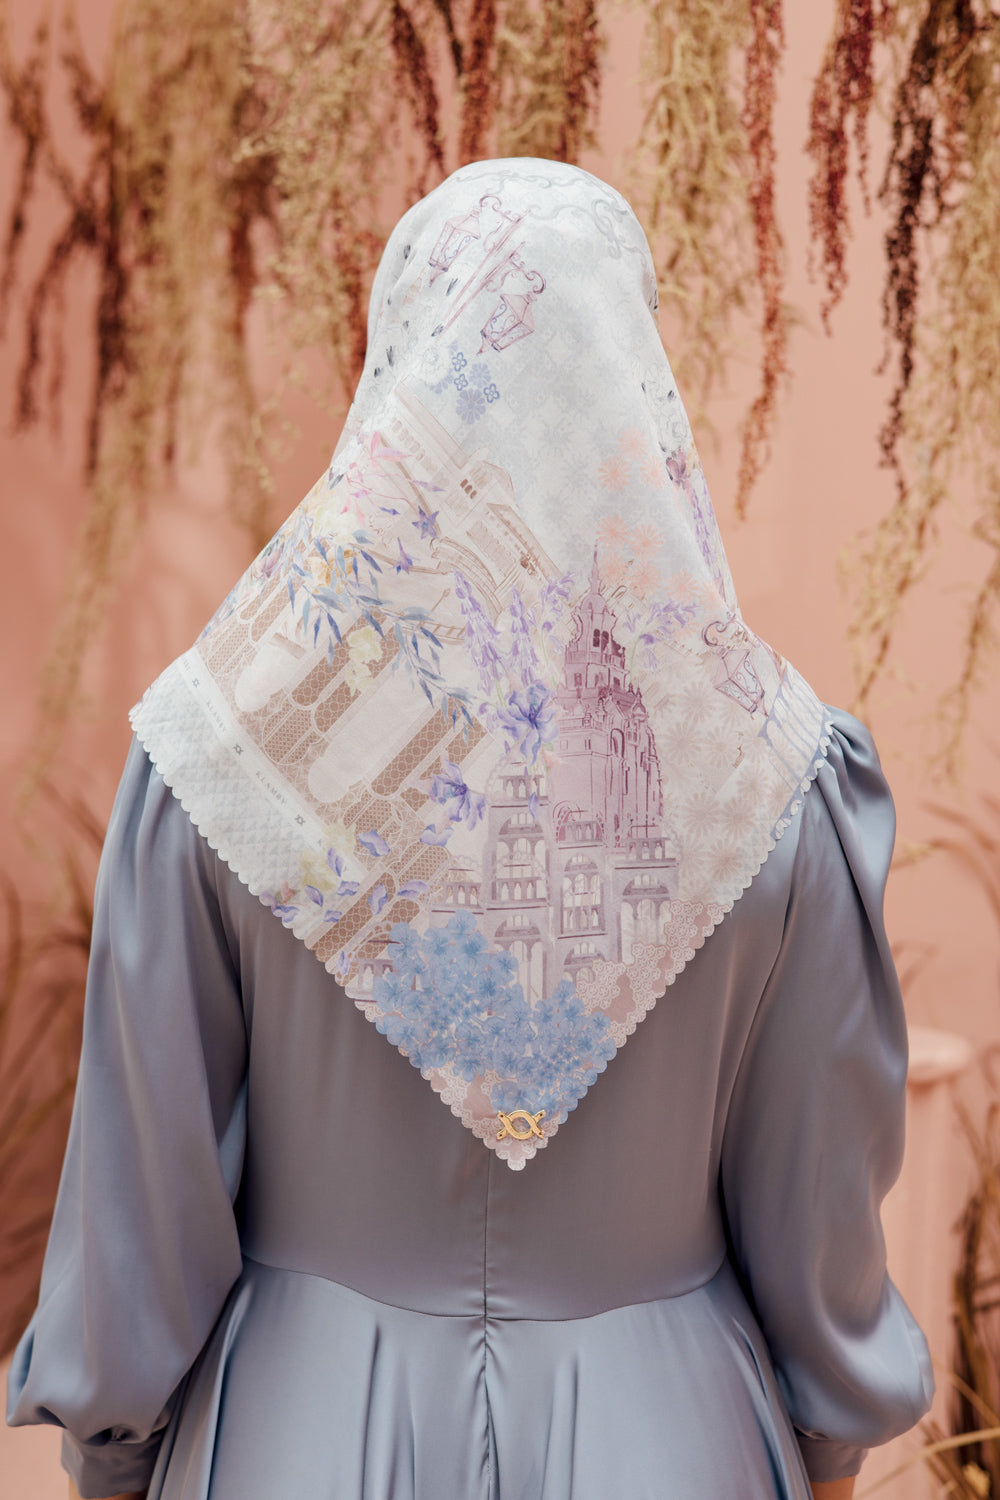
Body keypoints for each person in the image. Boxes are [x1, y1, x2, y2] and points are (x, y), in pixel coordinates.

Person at [7, 159, 933, 1500]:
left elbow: (139, 1225)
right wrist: (828, 1445)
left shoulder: (215, 763)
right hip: (673, 1440)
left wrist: (116, 1458)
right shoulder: (778, 785)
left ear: (401, 361)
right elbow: (821, 1232)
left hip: (295, 1435)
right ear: (635, 378)